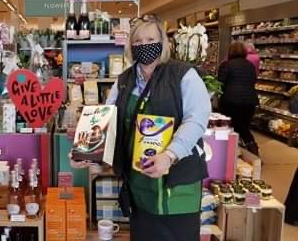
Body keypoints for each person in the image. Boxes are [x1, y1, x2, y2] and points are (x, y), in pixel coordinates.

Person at [71, 15, 211, 241]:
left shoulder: (183, 75)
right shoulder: (124, 80)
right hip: (140, 184)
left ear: (162, 42)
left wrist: (169, 155)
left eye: (150, 39)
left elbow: (196, 120)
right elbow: (107, 120)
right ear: (130, 46)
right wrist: (86, 152)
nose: (143, 45)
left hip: (177, 186)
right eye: (137, 41)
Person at [218, 42, 259, 155]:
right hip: (249, 102)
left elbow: (220, 83)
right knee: (244, 128)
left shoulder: (226, 65)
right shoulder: (250, 65)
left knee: (227, 128)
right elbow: (253, 81)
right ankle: (255, 154)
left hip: (230, 101)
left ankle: (227, 154)